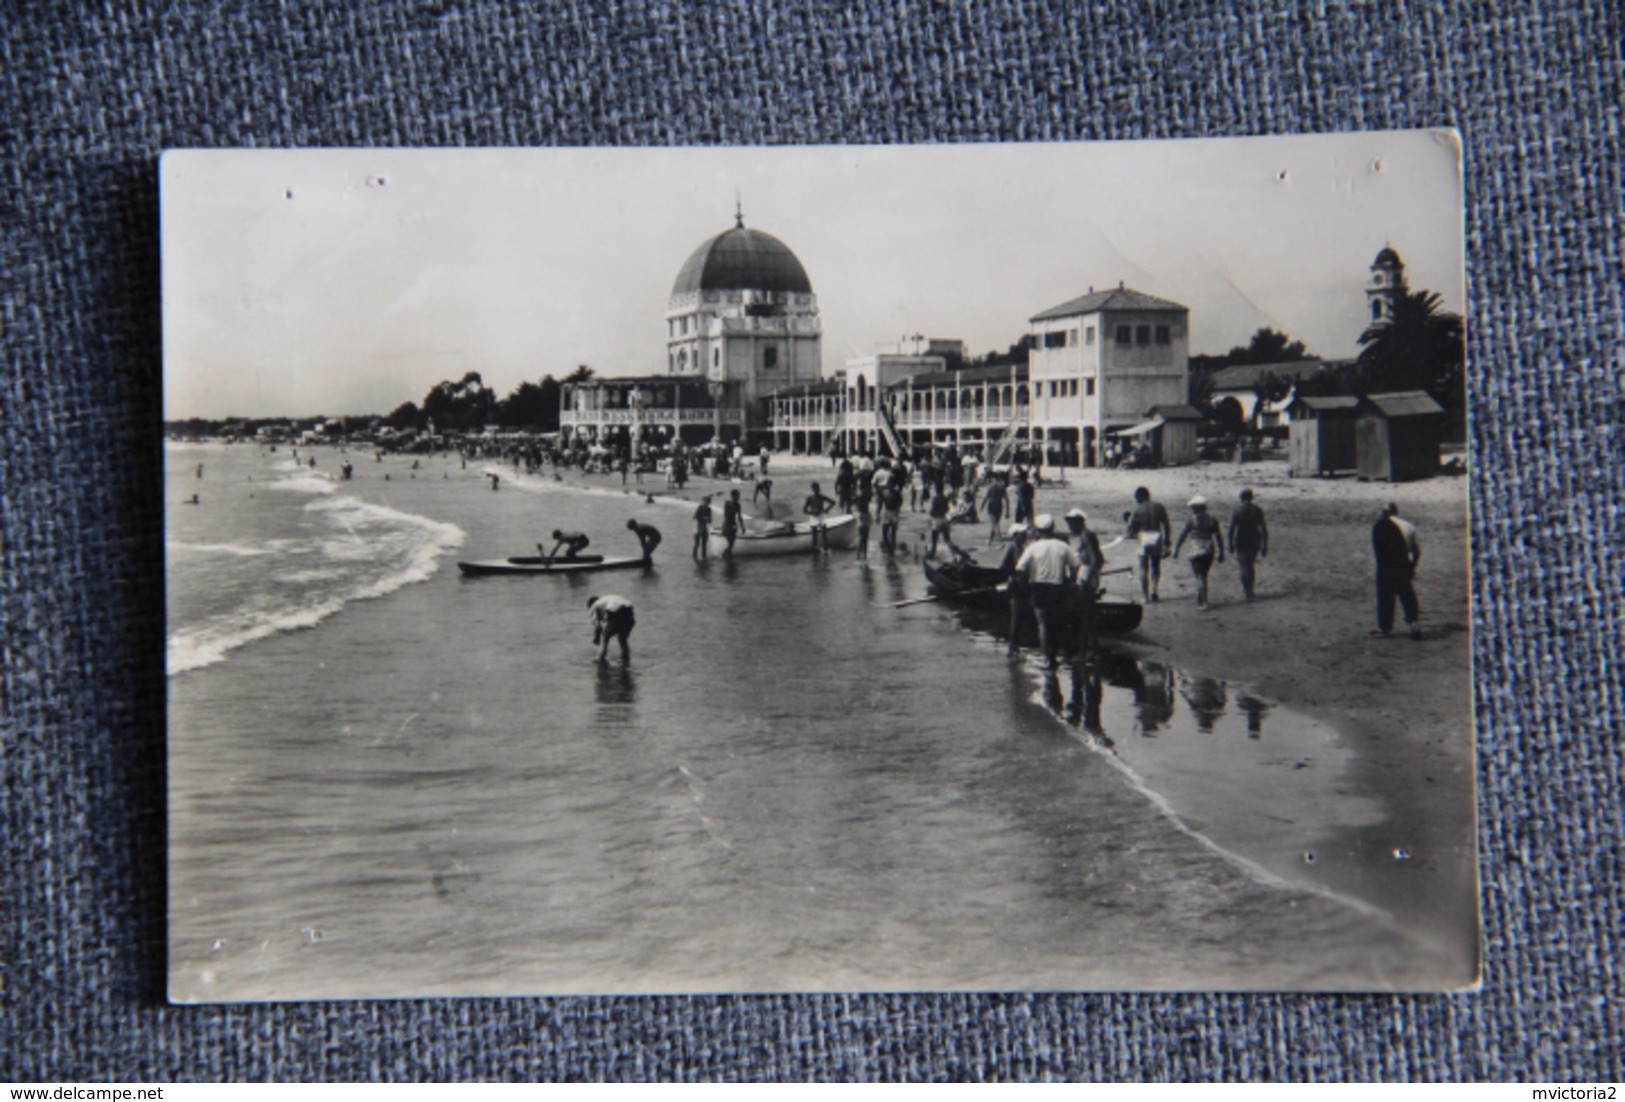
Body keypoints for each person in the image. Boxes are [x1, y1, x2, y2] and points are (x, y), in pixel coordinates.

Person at [1014, 515, 1080, 669]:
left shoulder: (1033, 547)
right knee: (1056, 623)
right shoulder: (1062, 546)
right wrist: (1071, 580)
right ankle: (1057, 656)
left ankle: (1048, 659)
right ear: (1052, 529)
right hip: (1058, 587)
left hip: (1039, 587)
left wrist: (1022, 584)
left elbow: (1020, 569)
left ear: (1037, 531)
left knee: (1043, 625)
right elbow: (1076, 565)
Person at [1372, 502, 1422, 639]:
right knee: (1407, 595)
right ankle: (1414, 623)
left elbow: (1379, 551)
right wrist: (1412, 567)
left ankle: (1385, 628)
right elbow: (1416, 551)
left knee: (1385, 596)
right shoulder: (1408, 526)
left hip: (1387, 565)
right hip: (1403, 564)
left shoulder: (1380, 526)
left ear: (1385, 512)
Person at [1064, 508, 1104, 660]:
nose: (1070, 526)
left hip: (1087, 574)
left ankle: (1089, 649)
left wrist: (1087, 578)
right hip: (1084, 572)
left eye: (1072, 522)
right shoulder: (1082, 535)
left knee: (1086, 614)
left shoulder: (1087, 535)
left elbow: (1095, 558)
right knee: (1084, 613)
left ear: (1079, 522)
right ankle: (1088, 648)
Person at [1173, 496, 1226, 609]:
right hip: (1208, 547)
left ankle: (1203, 602)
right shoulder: (1212, 519)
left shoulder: (1191, 520)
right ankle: (1200, 598)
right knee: (1204, 575)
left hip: (1195, 547)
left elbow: (1183, 535)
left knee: (1199, 576)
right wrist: (1221, 551)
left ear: (1196, 508)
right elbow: (1218, 537)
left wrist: (1177, 549)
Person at [1126, 486, 1171, 602]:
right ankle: (1154, 590)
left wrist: (1129, 528)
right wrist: (1167, 540)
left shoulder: (1138, 510)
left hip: (1144, 537)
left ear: (1140, 497)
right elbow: (1166, 525)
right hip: (1156, 536)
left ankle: (1145, 596)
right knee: (1156, 566)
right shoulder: (1159, 507)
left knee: (1143, 568)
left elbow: (1131, 529)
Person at [1228, 487, 1269, 600]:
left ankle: (1247, 592)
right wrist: (1265, 545)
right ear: (1251, 498)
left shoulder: (1237, 510)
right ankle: (1250, 591)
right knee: (1250, 566)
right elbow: (1263, 529)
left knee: (1244, 566)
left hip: (1241, 539)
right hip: (1254, 539)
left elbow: (1231, 529)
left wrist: (1230, 543)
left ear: (1241, 498)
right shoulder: (1257, 510)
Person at [997, 522, 1032, 653]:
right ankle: (1013, 645)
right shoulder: (1011, 547)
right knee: (1016, 615)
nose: (1025, 536)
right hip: (1016, 585)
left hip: (1025, 584)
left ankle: (1017, 642)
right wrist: (1012, 575)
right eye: (1022, 534)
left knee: (1021, 614)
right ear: (1015, 535)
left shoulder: (1022, 547)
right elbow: (1002, 567)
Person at [587, 594, 635, 665]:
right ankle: (625, 660)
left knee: (605, 637)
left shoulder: (595, 605)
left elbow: (598, 625)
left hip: (616, 611)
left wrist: (597, 638)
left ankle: (600, 659)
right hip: (629, 610)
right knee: (622, 640)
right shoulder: (607, 599)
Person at [802, 482, 836, 551]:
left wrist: (827, 509)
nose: (817, 490)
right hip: (814, 516)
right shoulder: (810, 498)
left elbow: (833, 502)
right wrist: (812, 512)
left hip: (821, 515)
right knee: (814, 533)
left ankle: (825, 548)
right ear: (813, 489)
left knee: (823, 532)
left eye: (817, 488)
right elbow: (804, 510)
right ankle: (814, 548)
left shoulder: (821, 497)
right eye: (815, 489)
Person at [982, 473, 1008, 543]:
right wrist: (1007, 511)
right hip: (999, 505)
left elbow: (985, 497)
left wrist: (982, 506)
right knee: (996, 522)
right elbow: (1006, 499)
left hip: (992, 505)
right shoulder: (1002, 487)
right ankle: (993, 537)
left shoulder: (990, 487)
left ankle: (995, 538)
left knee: (993, 522)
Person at [721, 489, 747, 559]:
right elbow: (726, 515)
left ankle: (728, 557)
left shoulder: (737, 505)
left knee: (731, 543)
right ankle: (725, 556)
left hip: (733, 525)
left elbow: (739, 516)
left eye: (738, 496)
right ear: (733, 496)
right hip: (727, 525)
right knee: (730, 543)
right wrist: (732, 508)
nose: (738, 498)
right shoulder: (727, 504)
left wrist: (742, 527)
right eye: (737, 496)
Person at [692, 495, 714, 561]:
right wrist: (704, 518)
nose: (706, 504)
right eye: (705, 502)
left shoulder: (709, 509)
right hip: (698, 528)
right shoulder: (700, 508)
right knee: (697, 544)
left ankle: (703, 557)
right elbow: (695, 517)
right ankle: (694, 557)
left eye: (707, 503)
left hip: (704, 528)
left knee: (704, 545)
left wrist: (708, 519)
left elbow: (710, 521)